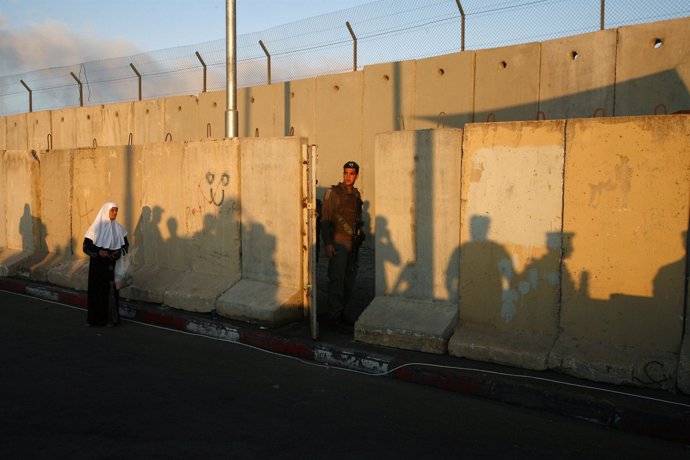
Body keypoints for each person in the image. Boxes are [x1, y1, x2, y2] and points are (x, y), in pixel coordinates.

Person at [321, 161, 365, 327]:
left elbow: (357, 220)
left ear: (356, 175)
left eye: (351, 173)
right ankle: (333, 316)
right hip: (338, 242)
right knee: (337, 281)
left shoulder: (356, 194)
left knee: (349, 280)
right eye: (346, 173)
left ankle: (341, 312)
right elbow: (325, 220)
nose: (348, 177)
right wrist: (328, 243)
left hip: (352, 245)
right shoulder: (333, 193)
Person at [83, 202, 129, 327]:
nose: (114, 213)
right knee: (95, 290)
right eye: (112, 210)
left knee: (110, 293)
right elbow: (86, 247)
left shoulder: (120, 229)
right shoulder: (95, 228)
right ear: (105, 211)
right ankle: (93, 319)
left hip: (112, 266)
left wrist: (118, 252)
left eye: (116, 210)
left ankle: (110, 319)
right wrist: (98, 252)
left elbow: (126, 246)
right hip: (97, 266)